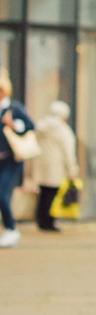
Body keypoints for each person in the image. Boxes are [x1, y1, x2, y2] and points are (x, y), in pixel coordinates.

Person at [32, 101, 79, 232]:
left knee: (44, 194)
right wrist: (72, 170)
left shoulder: (41, 127)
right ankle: (49, 221)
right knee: (52, 196)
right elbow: (68, 152)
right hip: (56, 167)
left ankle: (41, 220)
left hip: (41, 166)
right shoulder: (63, 130)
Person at [0, 76, 35, 248]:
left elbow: (30, 126)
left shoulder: (13, 108)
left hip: (10, 160)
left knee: (2, 194)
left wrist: (12, 124)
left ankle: (11, 228)